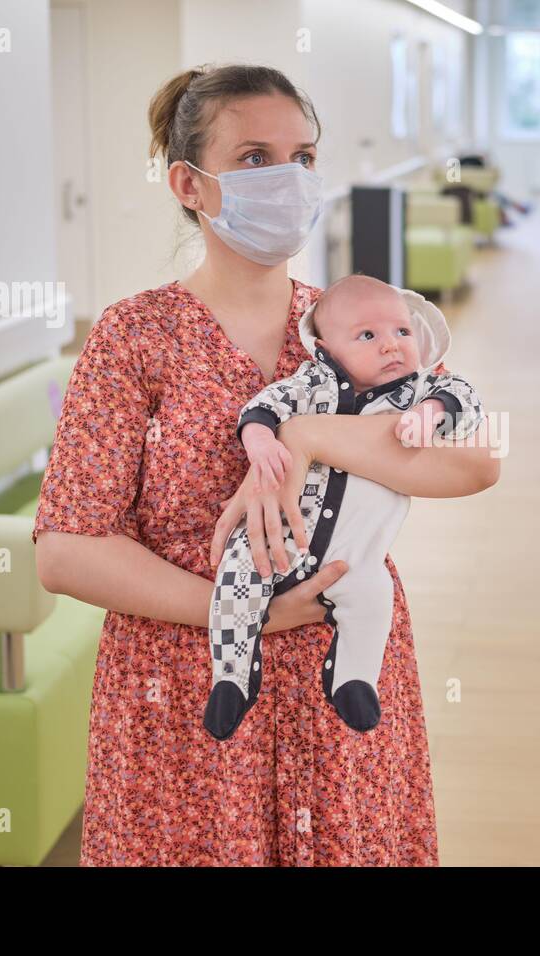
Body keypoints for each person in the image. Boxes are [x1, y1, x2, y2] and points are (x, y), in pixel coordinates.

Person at [31, 63, 500, 866]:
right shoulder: (134, 340)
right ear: (189, 183)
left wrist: (313, 437)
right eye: (255, 157)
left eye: (304, 157)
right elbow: (65, 549)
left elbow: (478, 457)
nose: (288, 178)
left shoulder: (355, 325)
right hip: (183, 694)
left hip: (340, 680)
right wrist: (244, 613)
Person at [206, 275, 483, 737]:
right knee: (236, 583)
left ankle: (352, 678)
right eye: (368, 336)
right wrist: (258, 438)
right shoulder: (312, 384)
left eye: (402, 332)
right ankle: (231, 678)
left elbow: (469, 401)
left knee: (373, 599)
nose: (391, 346)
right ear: (326, 350)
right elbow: (265, 406)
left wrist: (433, 412)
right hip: (279, 542)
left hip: (354, 557)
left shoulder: (417, 392)